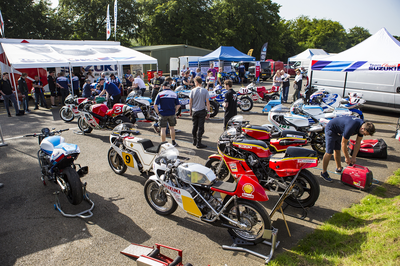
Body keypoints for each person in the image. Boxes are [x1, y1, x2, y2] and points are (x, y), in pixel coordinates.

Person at [320, 117, 376, 182]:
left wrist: (353, 157)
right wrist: (347, 158)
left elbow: (357, 143)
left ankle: (339, 168)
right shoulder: (351, 127)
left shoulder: (362, 126)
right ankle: (324, 173)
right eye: (365, 134)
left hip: (339, 131)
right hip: (331, 129)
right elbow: (343, 143)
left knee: (337, 150)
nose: (364, 135)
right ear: (362, 129)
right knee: (329, 152)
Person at [153, 81, 181, 146]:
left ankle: (164, 144)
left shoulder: (160, 94)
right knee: (172, 128)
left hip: (163, 113)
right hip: (171, 113)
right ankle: (173, 142)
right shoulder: (174, 94)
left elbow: (155, 105)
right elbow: (178, 105)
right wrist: (175, 111)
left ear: (163, 86)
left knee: (163, 128)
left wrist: (158, 113)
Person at [189, 76, 210, 149]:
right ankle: (199, 142)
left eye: (194, 82)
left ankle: (194, 140)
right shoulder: (205, 91)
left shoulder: (192, 90)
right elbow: (207, 103)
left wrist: (190, 110)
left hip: (194, 111)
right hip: (201, 111)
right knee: (200, 127)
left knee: (195, 126)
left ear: (197, 82)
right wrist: (208, 112)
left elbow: (190, 102)